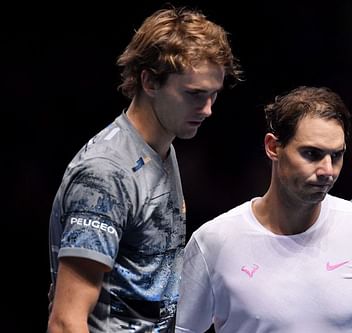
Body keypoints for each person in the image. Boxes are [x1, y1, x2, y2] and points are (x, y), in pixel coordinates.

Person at [47, 5, 242, 333]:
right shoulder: (106, 174)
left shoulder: (163, 149)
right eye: (195, 95)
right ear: (150, 81)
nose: (208, 110)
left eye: (213, 95)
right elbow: (66, 321)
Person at [175, 86, 352, 332]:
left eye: (336, 155)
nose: (327, 171)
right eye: (312, 154)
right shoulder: (213, 243)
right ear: (273, 147)